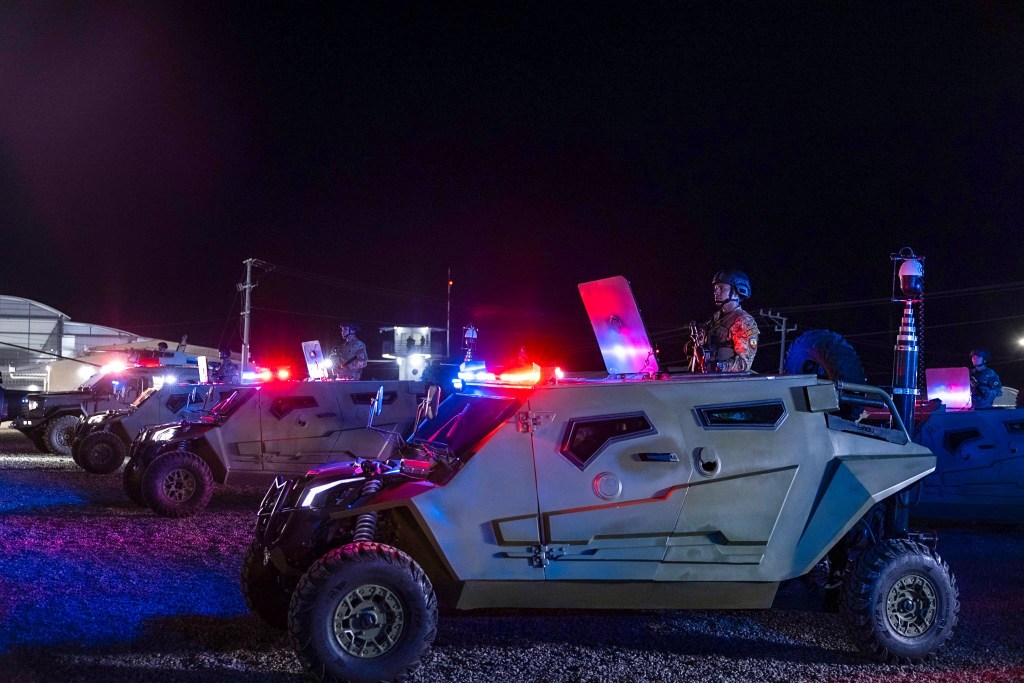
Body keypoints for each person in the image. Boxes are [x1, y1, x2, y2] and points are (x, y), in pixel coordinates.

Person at [688, 269, 759, 373]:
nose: (716, 292)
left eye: (721, 288)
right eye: (715, 288)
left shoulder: (744, 321)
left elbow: (744, 363)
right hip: (705, 378)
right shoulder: (716, 318)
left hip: (725, 381)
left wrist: (719, 366)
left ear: (736, 292)